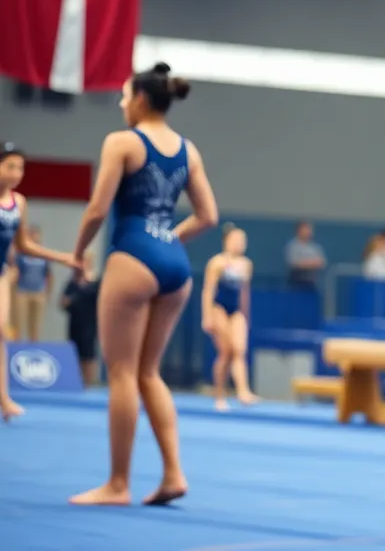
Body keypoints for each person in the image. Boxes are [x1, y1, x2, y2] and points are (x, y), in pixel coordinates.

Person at [69, 63, 219, 506]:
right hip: (175, 263)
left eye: (122, 96)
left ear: (139, 99)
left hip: (133, 254)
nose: (119, 104)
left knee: (120, 374)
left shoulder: (122, 142)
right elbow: (209, 216)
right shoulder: (188, 150)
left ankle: (118, 484)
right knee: (148, 372)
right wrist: (169, 238)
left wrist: (78, 253)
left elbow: (98, 210)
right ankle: (173, 473)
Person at [0, 142, 79, 422]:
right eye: (10, 166)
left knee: (1, 331)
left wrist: (61, 257)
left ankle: (5, 399)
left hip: (1, 274)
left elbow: (23, 245)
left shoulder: (18, 202)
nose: (16, 173)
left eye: (20, 167)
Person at [201, 224, 258, 410]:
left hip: (236, 311)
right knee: (225, 352)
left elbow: (244, 292)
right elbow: (208, 290)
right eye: (236, 240)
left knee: (239, 349)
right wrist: (207, 316)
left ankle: (243, 391)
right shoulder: (216, 263)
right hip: (219, 308)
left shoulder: (246, 265)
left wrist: (245, 315)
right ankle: (219, 395)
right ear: (226, 241)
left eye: (243, 241)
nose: (240, 244)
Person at [62, 251, 102, 386]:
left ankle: (89, 382)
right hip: (75, 321)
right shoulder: (73, 282)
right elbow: (63, 302)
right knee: (74, 351)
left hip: (90, 322)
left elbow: (100, 301)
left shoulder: (96, 282)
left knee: (88, 353)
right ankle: (76, 381)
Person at [12, 226, 54, 341]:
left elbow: (49, 275)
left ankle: (34, 347)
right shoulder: (21, 255)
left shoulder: (43, 255)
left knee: (35, 325)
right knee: (19, 324)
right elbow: (15, 273)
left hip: (39, 292)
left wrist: (48, 292)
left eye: (36, 236)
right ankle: (17, 347)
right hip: (23, 292)